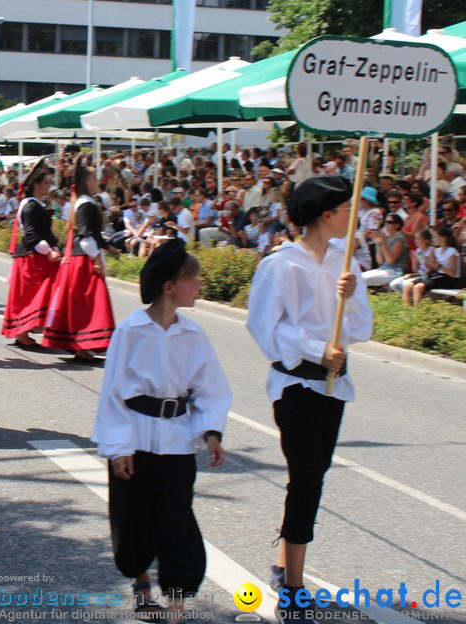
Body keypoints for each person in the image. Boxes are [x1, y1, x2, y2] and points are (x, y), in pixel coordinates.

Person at [246, 175, 373, 622]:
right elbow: (263, 327)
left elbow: (362, 329)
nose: (352, 220)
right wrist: (317, 349)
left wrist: (352, 299)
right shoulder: (281, 265)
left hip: (334, 385)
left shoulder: (345, 261)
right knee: (306, 478)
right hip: (296, 384)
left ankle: (283, 564)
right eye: (347, 211)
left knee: (314, 472)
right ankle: (294, 590)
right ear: (327, 214)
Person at [92, 238, 231, 621]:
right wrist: (118, 446)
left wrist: (211, 431)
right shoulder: (130, 332)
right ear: (170, 286)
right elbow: (113, 393)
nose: (199, 285)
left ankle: (176, 603)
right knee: (132, 517)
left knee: (176, 520)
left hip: (177, 441)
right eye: (194, 279)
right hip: (135, 440)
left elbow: (211, 389)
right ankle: (140, 583)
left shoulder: (194, 336)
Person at [42, 155, 117, 363]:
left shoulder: (83, 202)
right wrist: (96, 260)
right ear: (86, 182)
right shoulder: (85, 204)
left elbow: (92, 234)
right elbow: (85, 236)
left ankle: (81, 347)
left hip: (80, 258)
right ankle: (82, 346)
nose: (97, 182)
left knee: (82, 304)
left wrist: (108, 248)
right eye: (94, 179)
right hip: (83, 260)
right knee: (87, 304)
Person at [1, 157, 61, 349]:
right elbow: (31, 234)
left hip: (37, 257)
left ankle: (26, 332)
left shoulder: (33, 204)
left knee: (38, 295)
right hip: (32, 259)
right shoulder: (30, 205)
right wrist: (49, 251)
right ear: (36, 185)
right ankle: (22, 333)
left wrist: (54, 247)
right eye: (46, 183)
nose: (49, 187)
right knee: (31, 297)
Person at [401, 226, 461, 305]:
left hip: (448, 279)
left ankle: (417, 315)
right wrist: (427, 262)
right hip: (437, 276)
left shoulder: (452, 252)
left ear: (443, 238)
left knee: (418, 287)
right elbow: (431, 268)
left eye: (436, 237)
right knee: (408, 285)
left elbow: (452, 273)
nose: (433, 239)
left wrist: (438, 265)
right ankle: (405, 312)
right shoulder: (437, 250)